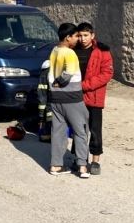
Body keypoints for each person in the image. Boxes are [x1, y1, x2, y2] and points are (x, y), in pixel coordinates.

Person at [48, 22, 89, 178]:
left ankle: (56, 166)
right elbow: (68, 73)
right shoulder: (70, 53)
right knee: (81, 130)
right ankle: (82, 166)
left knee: (58, 131)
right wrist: (60, 81)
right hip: (72, 98)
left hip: (55, 97)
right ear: (68, 37)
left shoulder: (54, 50)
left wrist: (55, 85)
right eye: (76, 36)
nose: (78, 39)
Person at [75, 22, 114, 175]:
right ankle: (79, 159)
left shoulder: (102, 52)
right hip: (77, 97)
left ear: (92, 36)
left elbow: (106, 74)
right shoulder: (73, 50)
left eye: (86, 35)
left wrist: (84, 85)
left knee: (95, 130)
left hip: (95, 97)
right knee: (79, 130)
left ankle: (95, 160)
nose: (83, 39)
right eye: (80, 35)